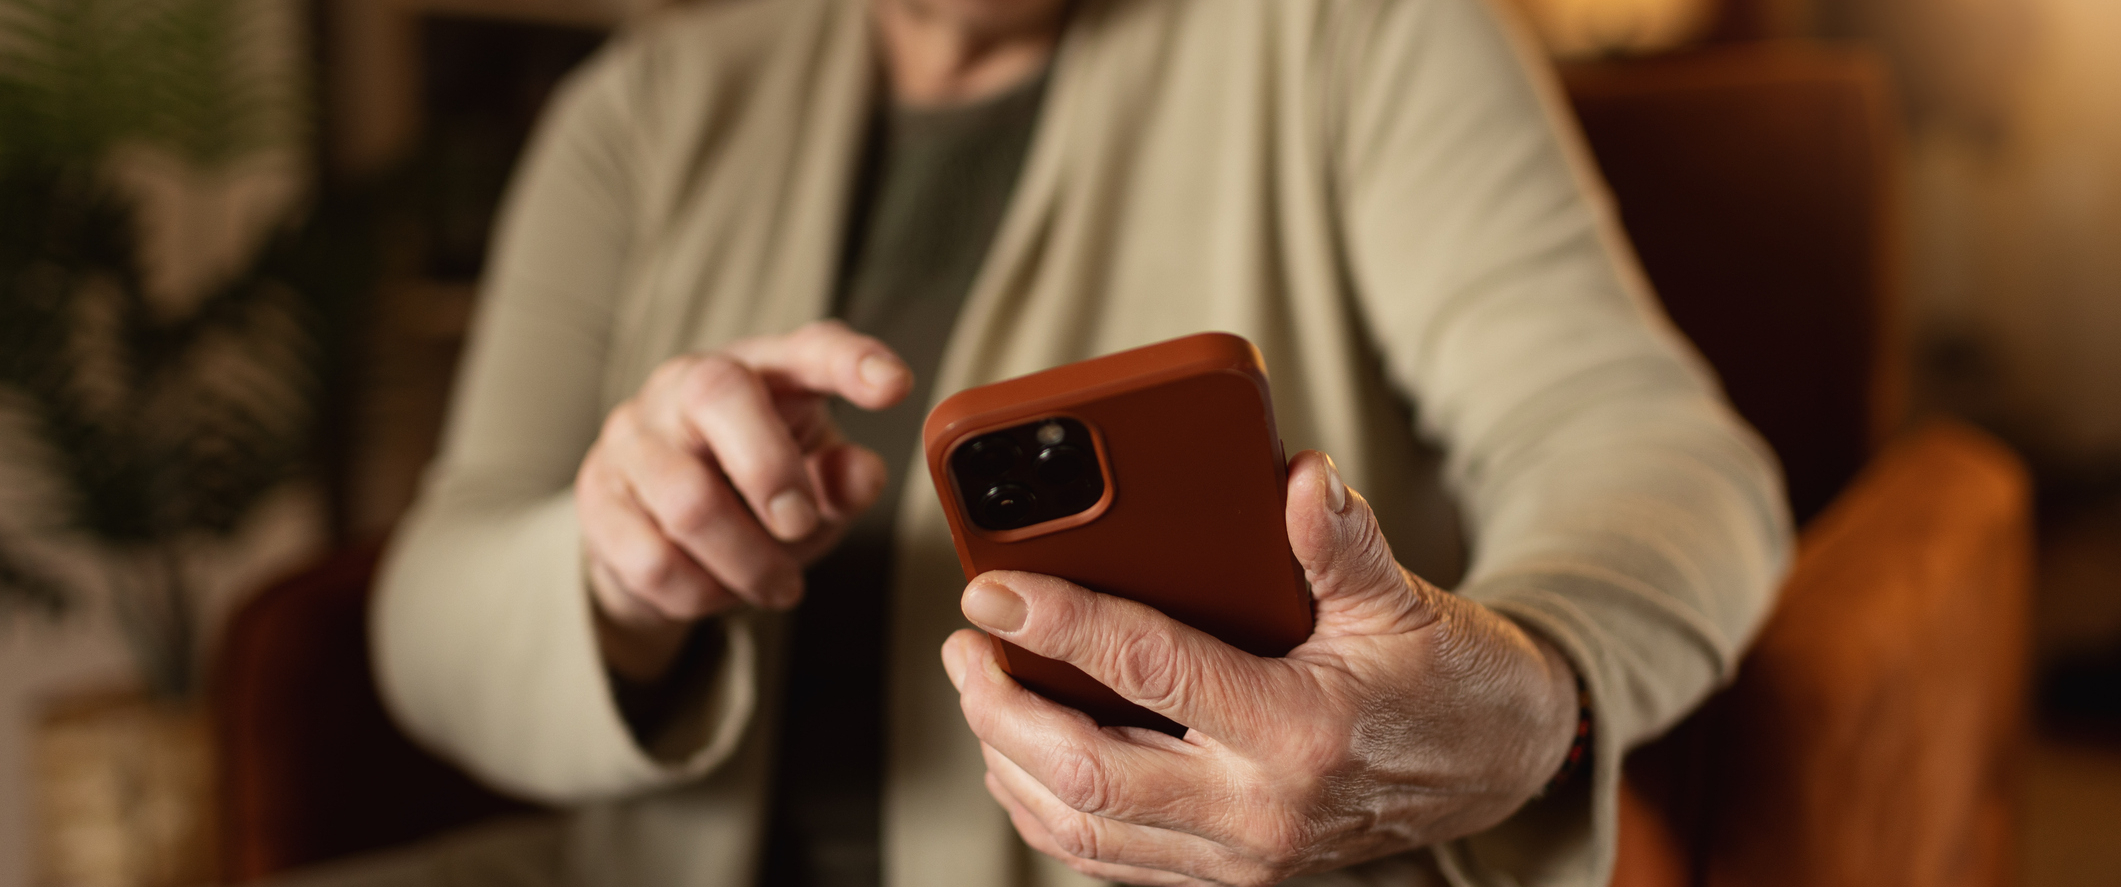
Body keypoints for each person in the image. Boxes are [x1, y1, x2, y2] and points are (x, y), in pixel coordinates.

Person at [367, 0, 1792, 884]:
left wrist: (1531, 697)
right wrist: (617, 575)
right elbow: (429, 604)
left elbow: (1645, 446)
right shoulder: (635, 116)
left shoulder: (1354, 29)